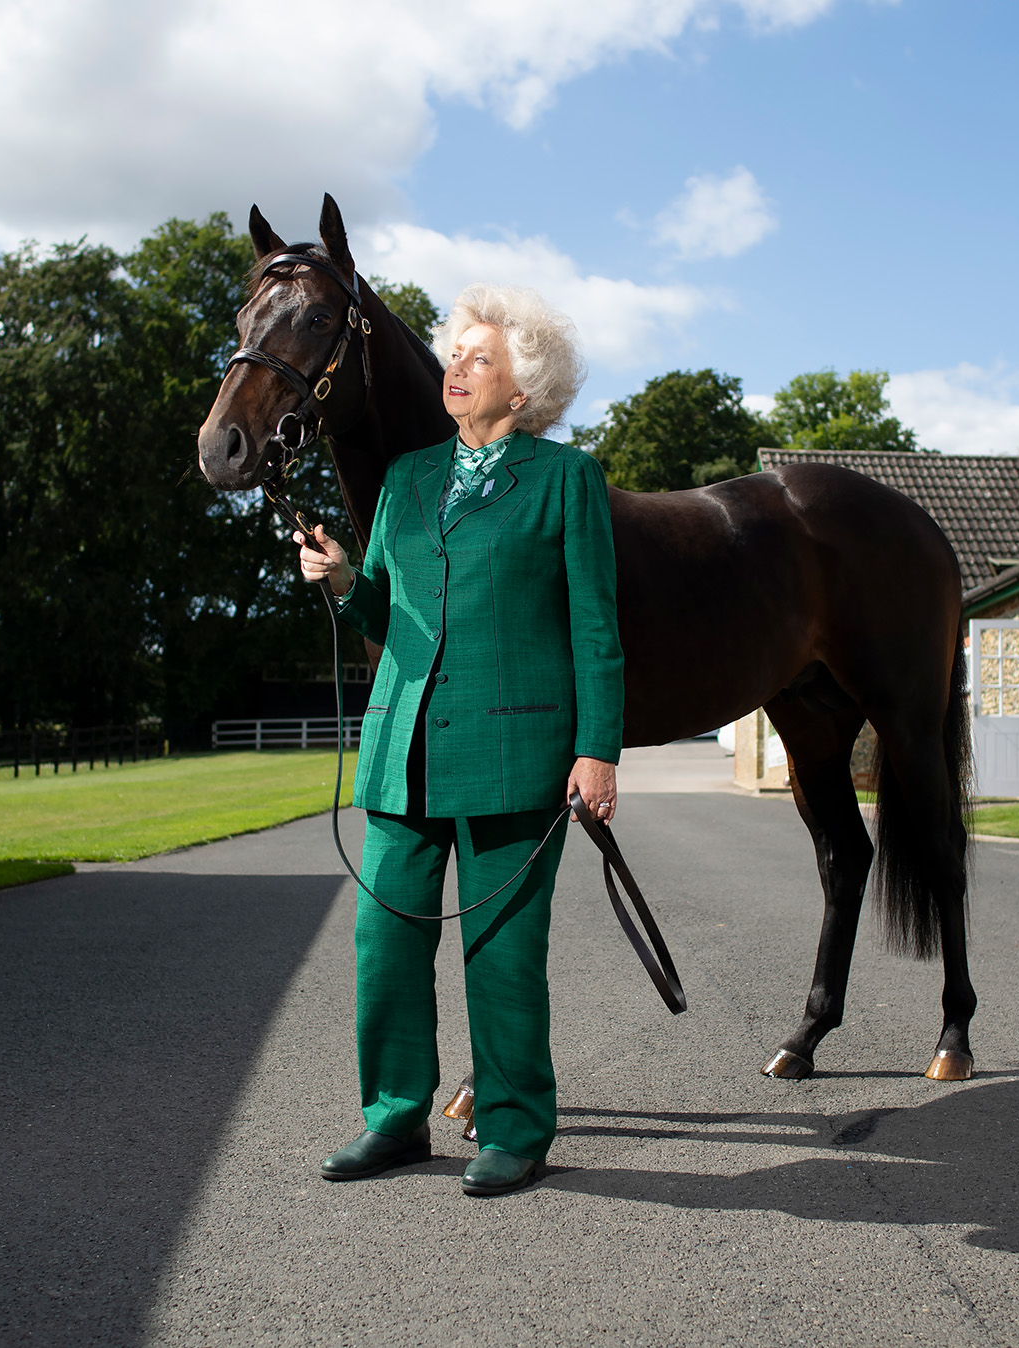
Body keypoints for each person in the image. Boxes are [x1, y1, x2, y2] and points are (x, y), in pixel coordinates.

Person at [292, 284, 623, 1198]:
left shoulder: (567, 481)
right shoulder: (406, 479)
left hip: (516, 754)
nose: (457, 369)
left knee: (503, 949)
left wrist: (597, 751)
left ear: (524, 392)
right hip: (402, 748)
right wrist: (342, 577)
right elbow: (387, 614)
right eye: (455, 354)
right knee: (383, 939)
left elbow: (595, 628)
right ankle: (393, 1118)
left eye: (482, 359)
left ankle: (514, 1127)